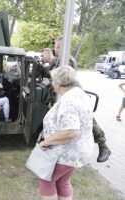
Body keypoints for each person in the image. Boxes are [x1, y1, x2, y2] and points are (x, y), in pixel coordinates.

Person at [40, 37, 111, 162]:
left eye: (57, 47)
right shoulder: (58, 61)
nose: (56, 50)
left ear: (64, 46)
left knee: (87, 120)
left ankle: (102, 144)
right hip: (58, 95)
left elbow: (64, 77)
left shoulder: (67, 61)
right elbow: (51, 71)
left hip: (71, 94)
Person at [38, 66, 94, 200]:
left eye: (52, 80)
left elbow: (70, 132)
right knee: (63, 182)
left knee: (46, 180)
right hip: (78, 150)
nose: (51, 83)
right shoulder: (80, 93)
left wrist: (46, 142)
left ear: (58, 83)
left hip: (66, 153)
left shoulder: (68, 101)